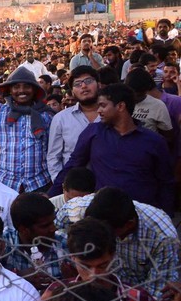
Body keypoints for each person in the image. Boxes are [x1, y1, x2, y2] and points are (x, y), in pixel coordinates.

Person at [49, 83, 175, 214]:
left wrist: (165, 215)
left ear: (120, 106)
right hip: (103, 214)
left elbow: (166, 182)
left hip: (142, 215)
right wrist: (50, 195)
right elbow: (73, 164)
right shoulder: (93, 132)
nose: (98, 111)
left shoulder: (154, 141)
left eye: (103, 106)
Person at [3, 193, 69, 292]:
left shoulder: (64, 243)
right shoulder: (4, 243)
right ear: (24, 229)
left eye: (53, 222)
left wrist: (69, 280)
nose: (53, 228)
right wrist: (18, 278)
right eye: (45, 226)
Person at [46, 66, 100, 180]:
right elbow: (54, 156)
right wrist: (62, 184)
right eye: (78, 84)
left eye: (88, 81)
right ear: (72, 91)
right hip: (74, 187)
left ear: (98, 84)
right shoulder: (61, 118)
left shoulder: (111, 115)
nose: (84, 86)